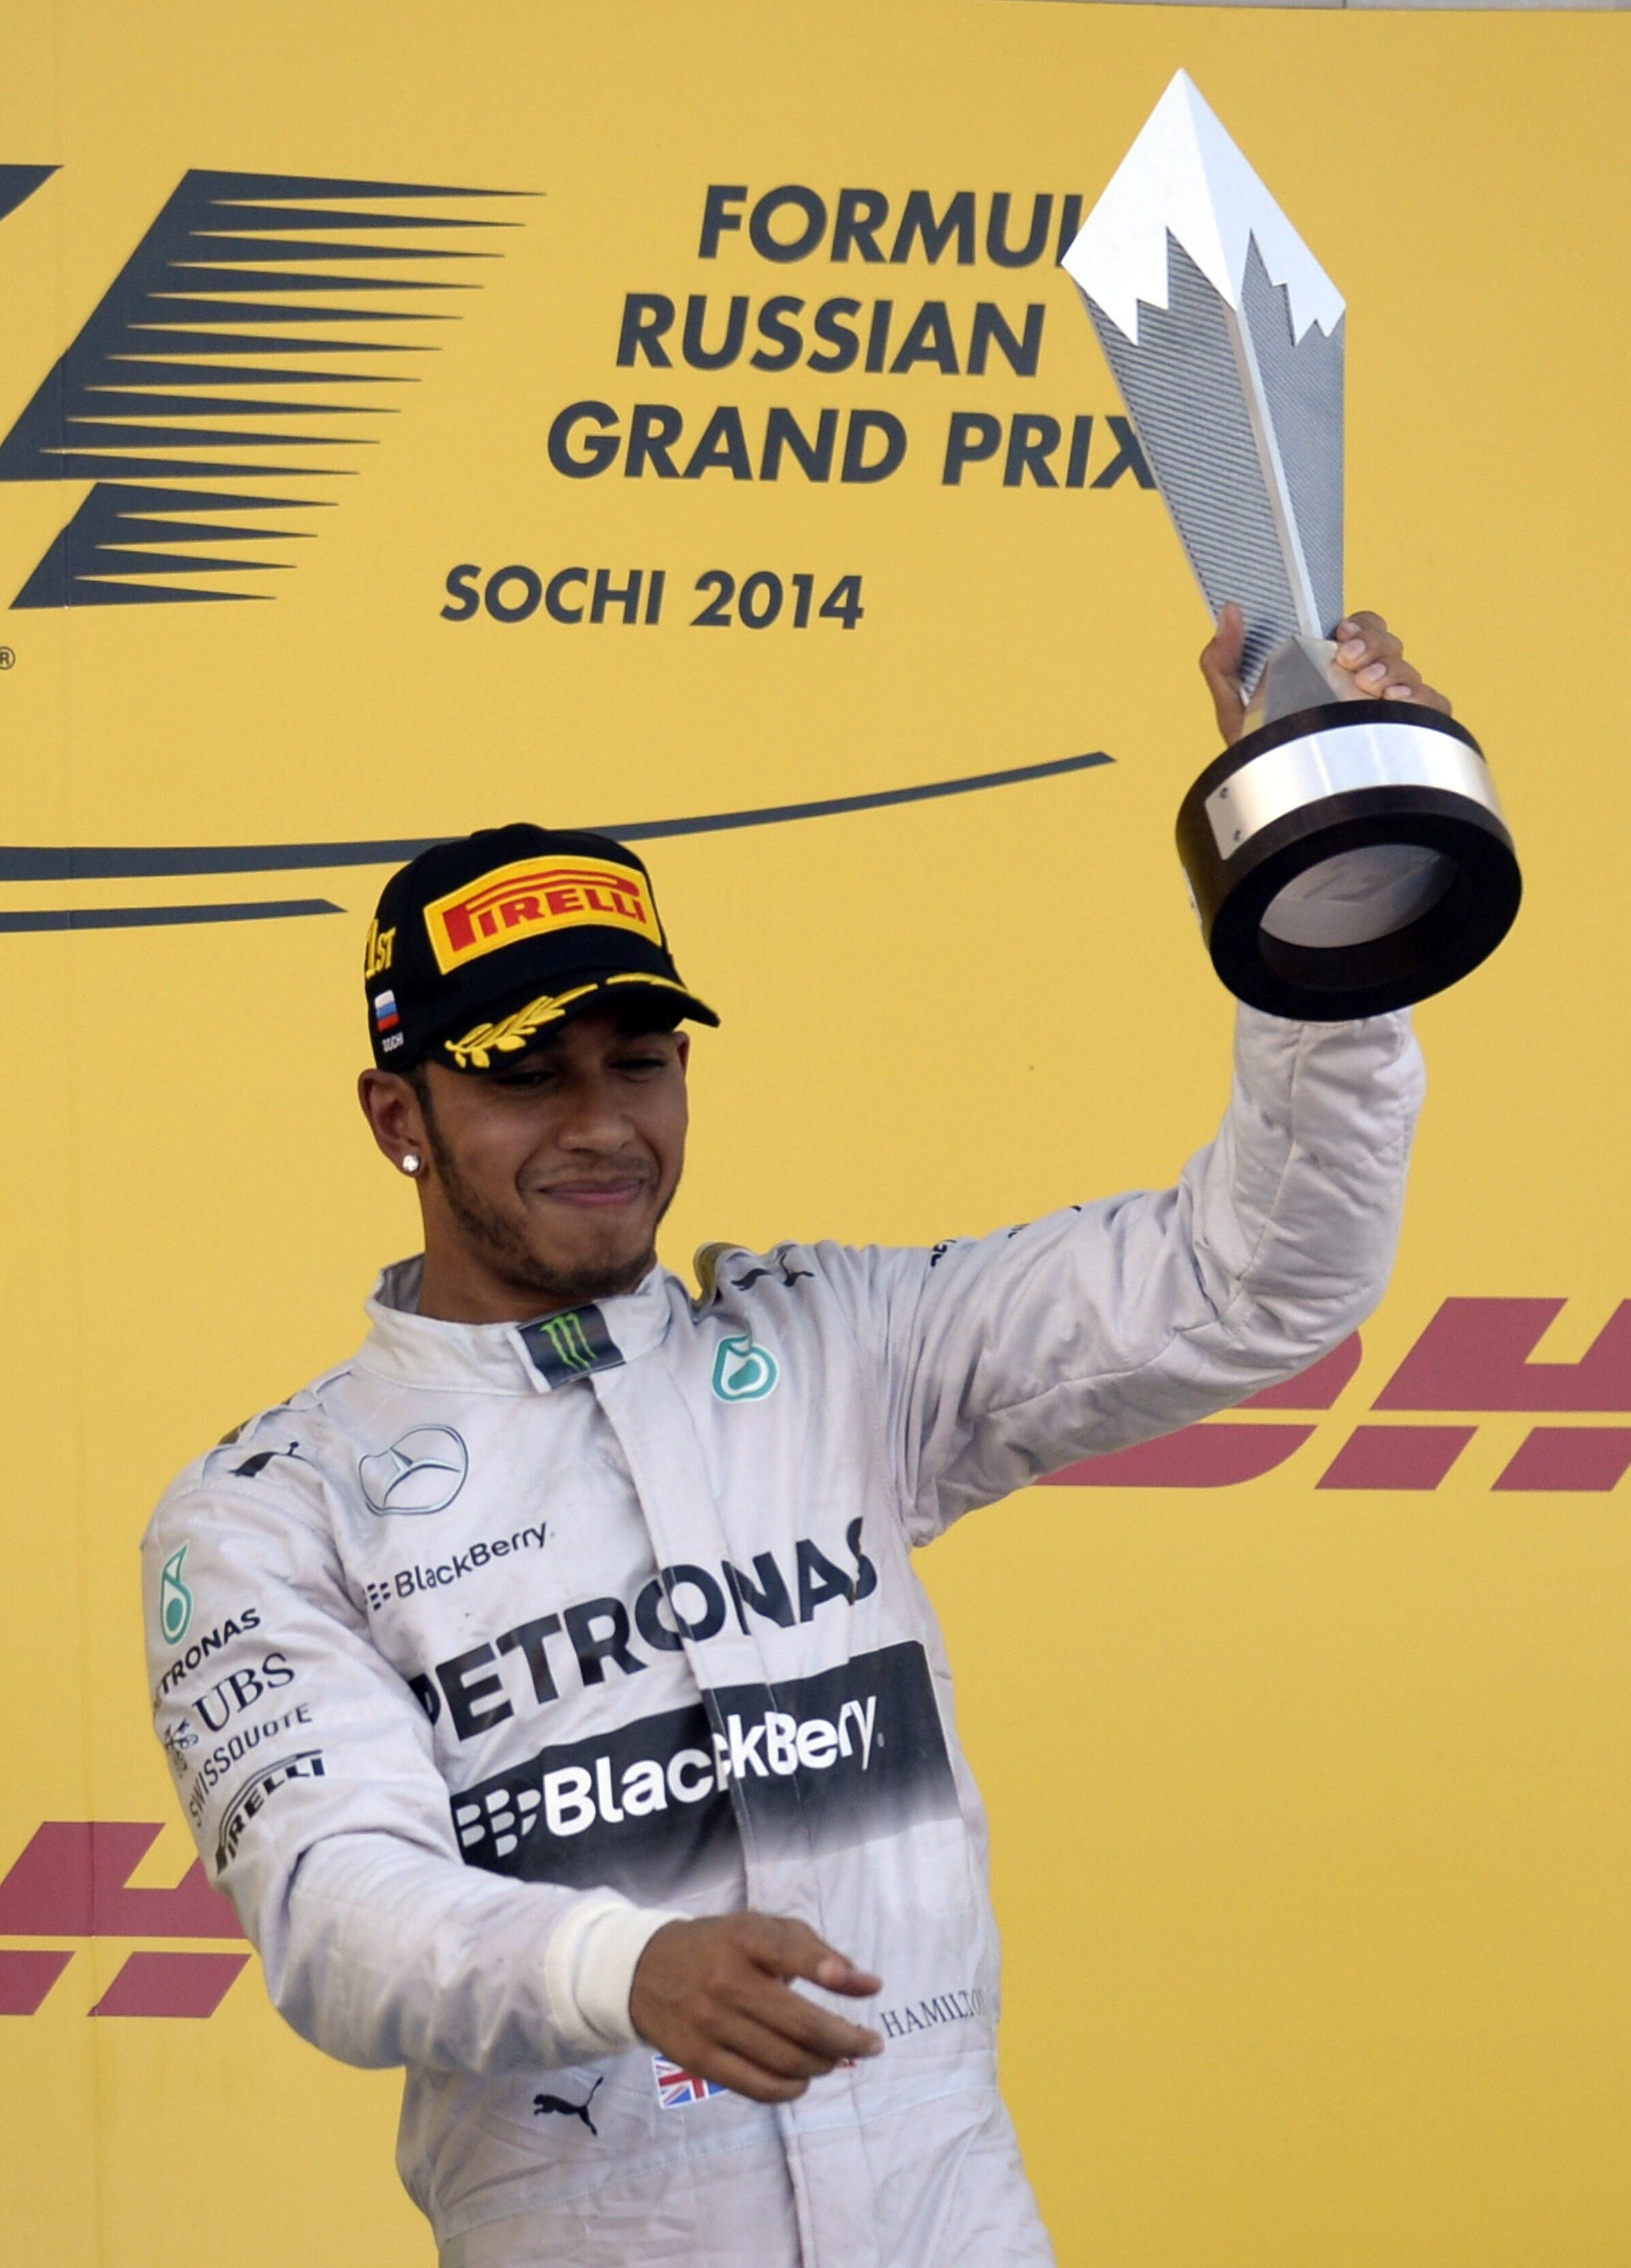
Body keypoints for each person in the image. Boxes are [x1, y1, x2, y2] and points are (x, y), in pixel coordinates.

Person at [144, 610, 1442, 2267]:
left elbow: (1261, 1274)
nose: (602, 1123)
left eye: (639, 1061)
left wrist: (1329, 869)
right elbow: (338, 1917)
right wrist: (624, 1967)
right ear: (399, 1114)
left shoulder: (841, 1347)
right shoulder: (270, 1511)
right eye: (525, 1078)